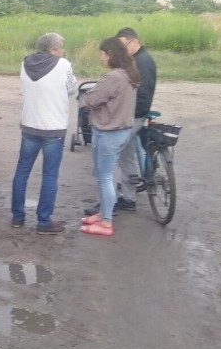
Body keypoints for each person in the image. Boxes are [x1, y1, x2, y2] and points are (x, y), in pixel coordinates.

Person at [11, 33, 78, 235]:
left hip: (30, 124)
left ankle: (17, 216)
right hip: (54, 127)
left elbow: (25, 89)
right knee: (49, 174)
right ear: (52, 49)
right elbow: (73, 88)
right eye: (61, 46)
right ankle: (43, 220)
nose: (63, 50)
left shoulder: (25, 63)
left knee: (22, 171)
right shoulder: (63, 64)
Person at [79, 37, 139, 237]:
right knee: (105, 175)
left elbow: (91, 100)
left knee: (105, 177)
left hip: (109, 133)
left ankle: (106, 222)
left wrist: (83, 97)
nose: (101, 58)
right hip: (119, 131)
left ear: (111, 54)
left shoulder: (114, 77)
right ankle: (103, 213)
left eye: (103, 54)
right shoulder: (129, 74)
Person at [113, 27, 157, 211]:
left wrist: (131, 115)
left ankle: (119, 198)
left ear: (134, 41)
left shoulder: (142, 62)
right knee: (128, 154)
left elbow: (143, 93)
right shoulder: (138, 59)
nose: (122, 51)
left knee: (116, 152)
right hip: (134, 114)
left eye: (124, 46)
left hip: (135, 116)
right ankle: (129, 196)